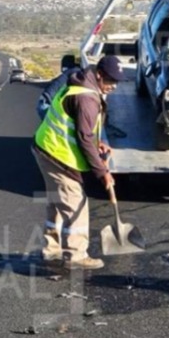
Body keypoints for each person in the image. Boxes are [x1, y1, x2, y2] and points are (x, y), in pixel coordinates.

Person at [32, 56, 125, 270]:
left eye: (117, 82)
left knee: (56, 201)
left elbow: (84, 131)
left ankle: (52, 250)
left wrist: (98, 142)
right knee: (76, 205)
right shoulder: (86, 99)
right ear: (99, 75)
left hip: (46, 148)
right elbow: (83, 139)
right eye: (111, 80)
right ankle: (76, 256)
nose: (113, 86)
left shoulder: (81, 84)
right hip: (57, 155)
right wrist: (103, 173)